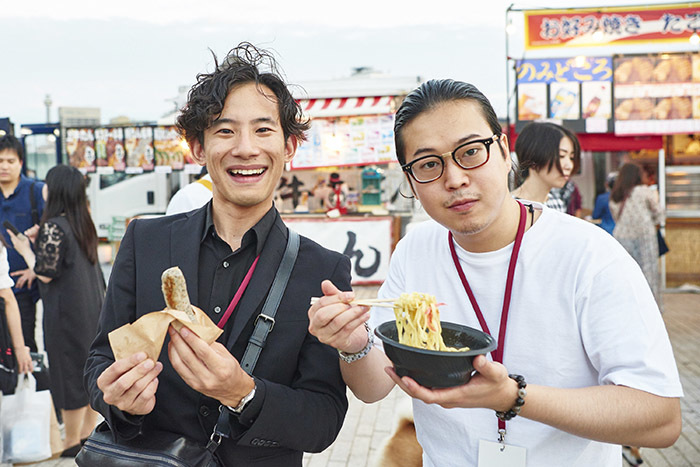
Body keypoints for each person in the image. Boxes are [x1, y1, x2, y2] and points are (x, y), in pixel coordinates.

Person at [308, 79, 682, 466]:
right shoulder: (415, 251)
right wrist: (352, 344)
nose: (454, 178)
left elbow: (660, 418)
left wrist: (514, 398)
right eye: (428, 165)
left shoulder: (590, 255)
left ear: (504, 152)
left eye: (470, 152)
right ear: (410, 181)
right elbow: (373, 387)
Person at [83, 42, 351, 466]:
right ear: (198, 148)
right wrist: (116, 398)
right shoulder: (144, 240)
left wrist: (243, 393)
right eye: (225, 130)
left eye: (264, 130)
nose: (245, 148)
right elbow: (100, 358)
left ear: (290, 147)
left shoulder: (323, 269)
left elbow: (324, 420)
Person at [9, 164, 104, 456]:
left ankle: (70, 442)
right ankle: (88, 435)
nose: (44, 188)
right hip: (91, 309)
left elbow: (46, 272)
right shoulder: (81, 221)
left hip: (66, 314)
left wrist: (24, 247)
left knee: (68, 374)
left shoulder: (53, 225)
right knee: (88, 372)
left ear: (57, 189)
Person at [0, 135, 46, 353]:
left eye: (10, 161)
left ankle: (34, 384)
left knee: (25, 343)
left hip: (22, 286)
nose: (4, 166)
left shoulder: (35, 191)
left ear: (20, 162)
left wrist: (34, 269)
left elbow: (52, 233)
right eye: (0, 161)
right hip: (0, 285)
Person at [609, 163, 664, 307]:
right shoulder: (644, 191)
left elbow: (615, 216)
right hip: (645, 236)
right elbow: (659, 212)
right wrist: (655, 221)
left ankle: (626, 307)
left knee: (624, 275)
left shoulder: (616, 194)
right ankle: (650, 308)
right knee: (648, 274)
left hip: (621, 237)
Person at [510, 121, 580, 211]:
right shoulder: (510, 206)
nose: (569, 166)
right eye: (561, 156)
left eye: (571, 157)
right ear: (533, 156)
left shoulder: (557, 203)